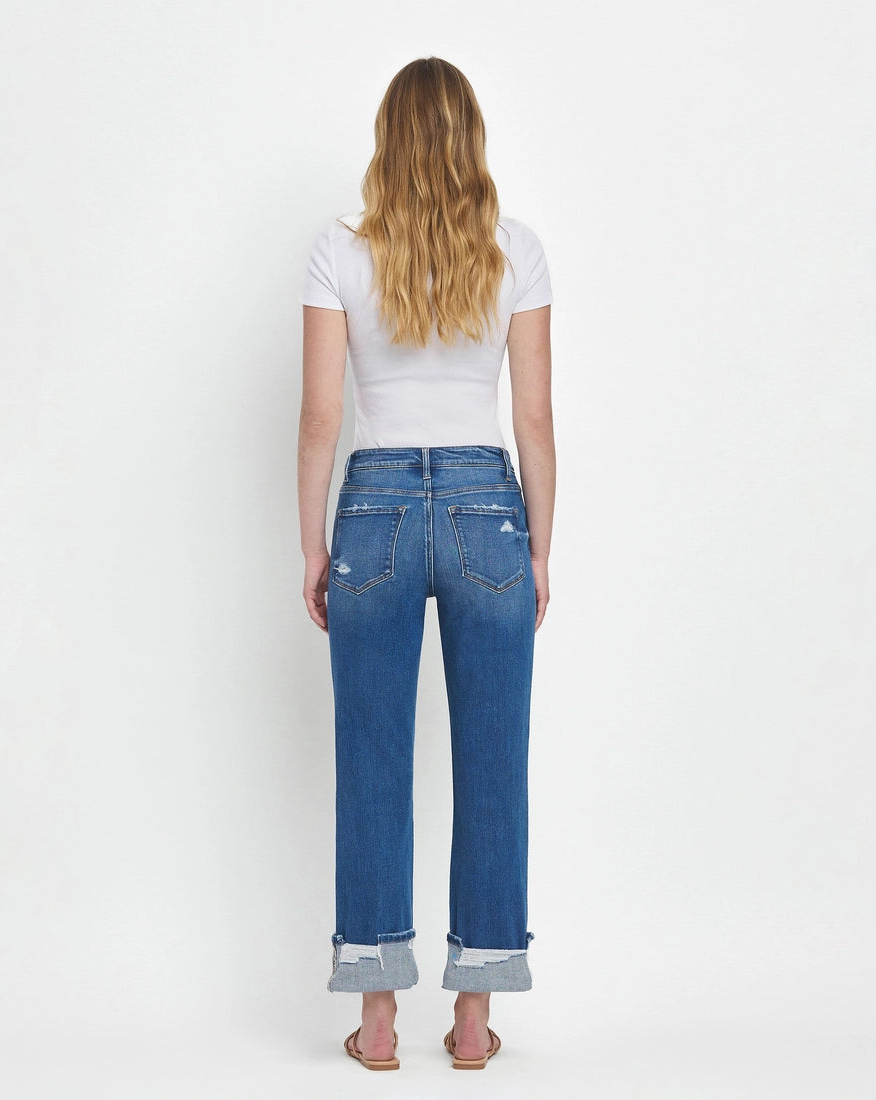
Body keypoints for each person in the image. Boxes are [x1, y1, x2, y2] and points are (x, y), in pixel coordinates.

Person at [297, 56, 555, 1071]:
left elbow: (324, 414)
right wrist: (537, 545)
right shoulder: (516, 251)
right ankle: (478, 1021)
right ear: (470, 140)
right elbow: (530, 414)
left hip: (375, 509)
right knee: (495, 763)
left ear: (386, 140)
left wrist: (313, 541)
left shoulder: (339, 251)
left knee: (371, 759)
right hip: (491, 503)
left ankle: (372, 1020)